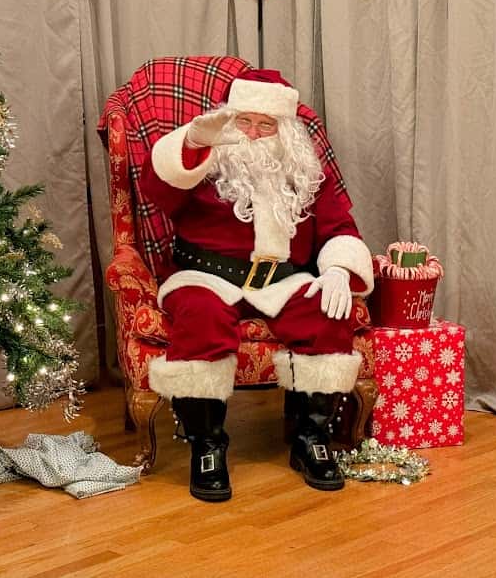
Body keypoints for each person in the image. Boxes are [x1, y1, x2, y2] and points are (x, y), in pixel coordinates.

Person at [138, 69, 373, 502]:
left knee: (326, 314)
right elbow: (156, 188)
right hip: (206, 276)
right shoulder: (205, 163)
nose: (254, 133)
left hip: (283, 280)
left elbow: (341, 226)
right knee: (202, 320)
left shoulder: (304, 175)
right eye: (245, 121)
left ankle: (311, 439)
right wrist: (192, 144)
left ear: (286, 131)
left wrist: (339, 270)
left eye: (267, 125)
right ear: (229, 120)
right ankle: (207, 447)